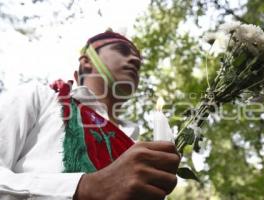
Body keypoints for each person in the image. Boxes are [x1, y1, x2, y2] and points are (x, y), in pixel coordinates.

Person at [0, 30, 180, 200]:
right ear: (87, 61)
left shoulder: (135, 145)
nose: (135, 60)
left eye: (139, 61)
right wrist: (83, 187)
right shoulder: (40, 99)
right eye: (123, 50)